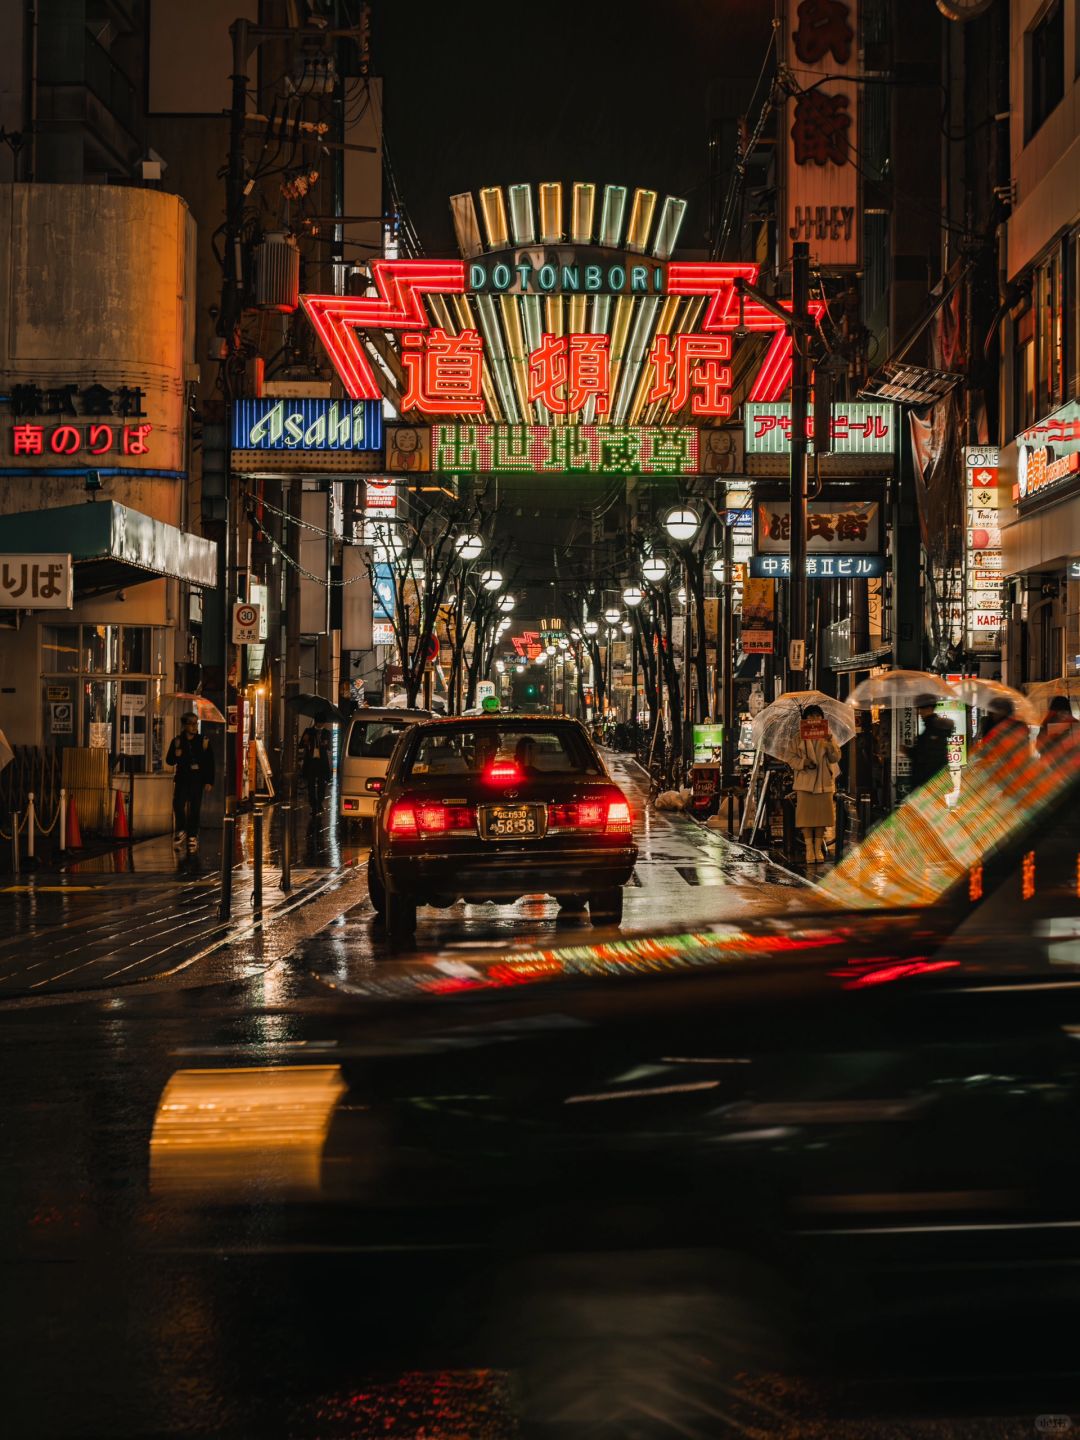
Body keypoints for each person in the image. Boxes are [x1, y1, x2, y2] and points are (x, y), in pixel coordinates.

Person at [792, 704, 841, 865]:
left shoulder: (828, 736)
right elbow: (790, 758)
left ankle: (818, 847)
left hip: (823, 781)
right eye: (811, 716)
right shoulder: (798, 737)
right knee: (806, 817)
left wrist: (829, 744)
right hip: (805, 782)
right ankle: (809, 849)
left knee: (821, 816)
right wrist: (804, 762)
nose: (814, 720)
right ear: (805, 719)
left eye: (817, 716)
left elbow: (835, 758)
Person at [166, 712, 215, 857]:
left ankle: (192, 835)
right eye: (191, 723)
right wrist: (176, 754)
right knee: (178, 804)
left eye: (196, 723)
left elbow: (209, 763)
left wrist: (209, 781)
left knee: (195, 807)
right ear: (185, 725)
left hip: (197, 780)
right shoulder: (177, 741)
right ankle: (181, 830)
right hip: (182, 779)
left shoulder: (203, 741)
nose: (194, 726)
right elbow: (169, 761)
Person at [907, 695, 953, 789]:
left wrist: (907, 751)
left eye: (921, 709)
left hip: (927, 783)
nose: (919, 712)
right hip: (934, 782)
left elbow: (926, 755)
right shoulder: (933, 727)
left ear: (929, 708)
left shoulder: (932, 728)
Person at [299, 723, 332, 810]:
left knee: (322, 783)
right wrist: (305, 741)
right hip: (311, 761)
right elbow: (301, 745)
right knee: (311, 784)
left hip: (322, 762)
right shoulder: (308, 731)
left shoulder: (326, 733)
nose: (321, 724)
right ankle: (313, 803)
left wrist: (326, 743)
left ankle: (319, 802)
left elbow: (330, 747)